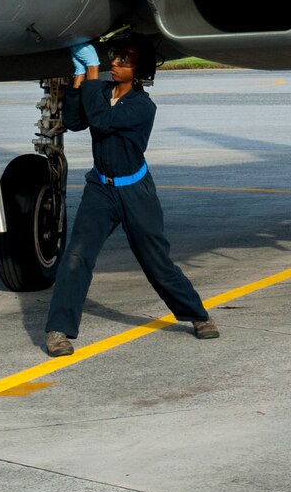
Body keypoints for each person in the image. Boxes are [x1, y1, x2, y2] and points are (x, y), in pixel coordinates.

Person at [43, 35, 217, 357]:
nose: (116, 62)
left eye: (125, 59)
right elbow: (75, 121)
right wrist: (79, 76)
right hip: (100, 190)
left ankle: (198, 315)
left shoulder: (142, 106)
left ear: (139, 71)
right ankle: (58, 330)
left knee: (157, 264)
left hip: (135, 191)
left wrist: (93, 69)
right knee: (76, 257)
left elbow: (102, 121)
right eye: (115, 56)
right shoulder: (104, 93)